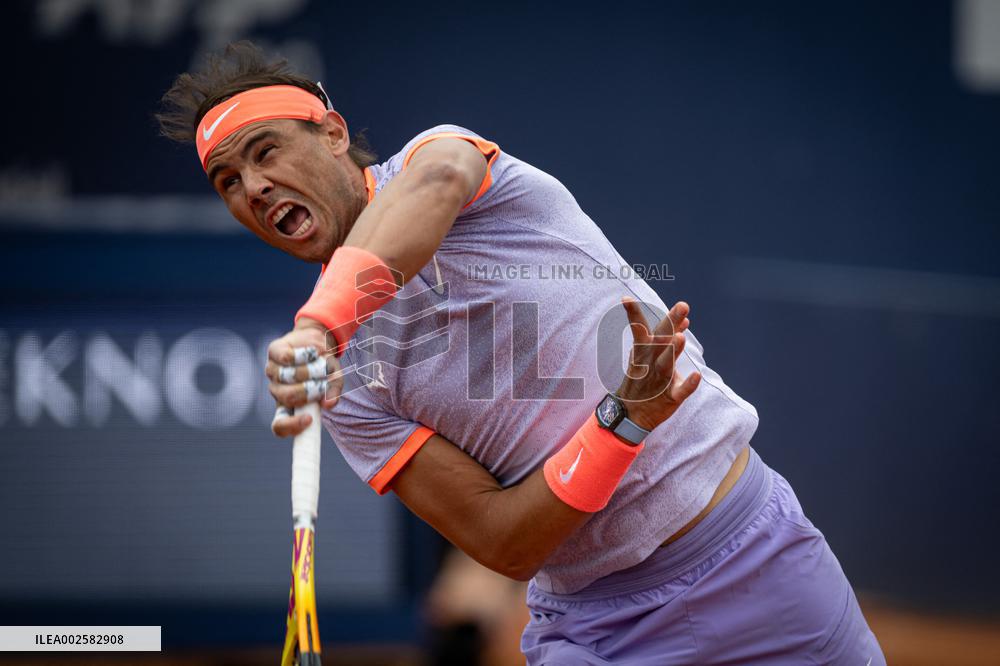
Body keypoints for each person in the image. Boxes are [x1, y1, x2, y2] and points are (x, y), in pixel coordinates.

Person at [157, 41, 885, 665]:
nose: (253, 186)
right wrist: (621, 421)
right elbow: (504, 544)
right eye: (227, 181)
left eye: (265, 151)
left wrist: (320, 327)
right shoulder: (343, 383)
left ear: (335, 134)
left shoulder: (446, 162)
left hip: (759, 561)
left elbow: (436, 184)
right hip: (602, 630)